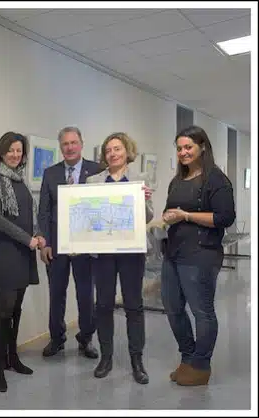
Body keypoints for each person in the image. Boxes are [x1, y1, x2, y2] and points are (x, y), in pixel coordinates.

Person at [161, 125, 235, 386]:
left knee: (201, 311)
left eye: (188, 147)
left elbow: (225, 217)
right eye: (179, 148)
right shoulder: (177, 180)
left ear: (202, 147)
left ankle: (201, 365)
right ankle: (187, 356)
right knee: (172, 308)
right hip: (173, 254)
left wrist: (186, 215)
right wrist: (165, 216)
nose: (183, 152)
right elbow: (169, 212)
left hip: (201, 255)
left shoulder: (216, 179)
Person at [86, 132, 154, 384]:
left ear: (127, 151)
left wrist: (145, 201)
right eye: (108, 150)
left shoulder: (140, 179)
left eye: (117, 149)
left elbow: (147, 217)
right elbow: (88, 216)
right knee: (103, 305)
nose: (112, 154)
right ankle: (106, 358)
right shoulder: (93, 181)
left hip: (131, 252)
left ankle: (137, 360)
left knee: (134, 306)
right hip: (103, 252)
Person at [0, 131, 46, 393]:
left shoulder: (20, 180)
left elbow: (32, 214)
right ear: (1, 151)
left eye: (19, 150)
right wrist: (27, 239)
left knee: (17, 307)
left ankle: (12, 358)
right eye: (11, 149)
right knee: (5, 309)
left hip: (24, 249)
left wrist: (39, 234)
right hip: (5, 251)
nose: (15, 154)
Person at [38, 126, 102, 359]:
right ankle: (57, 338)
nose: (70, 147)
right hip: (56, 245)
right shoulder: (51, 173)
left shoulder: (97, 170)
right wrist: (44, 242)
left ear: (81, 144)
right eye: (65, 144)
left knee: (86, 295)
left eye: (74, 142)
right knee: (56, 294)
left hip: (86, 246)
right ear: (60, 147)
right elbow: (43, 211)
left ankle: (86, 339)